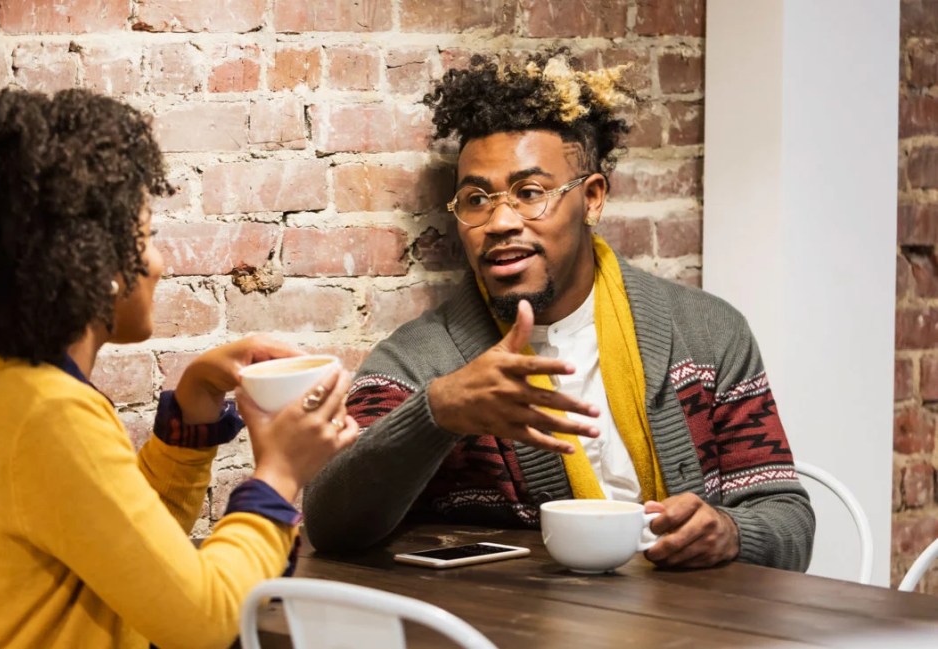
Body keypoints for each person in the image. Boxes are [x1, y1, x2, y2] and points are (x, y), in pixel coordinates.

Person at [0, 88, 358, 649]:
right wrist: (281, 476)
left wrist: (193, 406)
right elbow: (206, 621)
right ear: (97, 264)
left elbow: (127, 550)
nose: (160, 264)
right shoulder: (49, 413)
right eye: (145, 236)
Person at [303, 52, 814, 571]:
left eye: (529, 193)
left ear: (591, 199)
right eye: (476, 199)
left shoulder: (706, 334)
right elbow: (329, 524)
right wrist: (436, 413)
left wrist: (730, 531)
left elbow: (788, 521)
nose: (500, 220)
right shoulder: (420, 363)